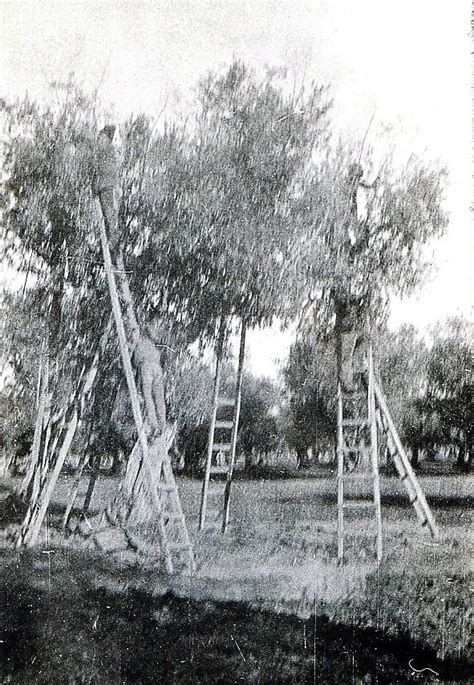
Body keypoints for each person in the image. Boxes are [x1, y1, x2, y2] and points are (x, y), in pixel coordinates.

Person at [92, 125, 120, 255]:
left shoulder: (108, 152)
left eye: (102, 138)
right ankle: (112, 241)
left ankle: (113, 241)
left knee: (109, 214)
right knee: (107, 215)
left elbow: (104, 170)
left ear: (107, 139)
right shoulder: (106, 152)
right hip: (104, 187)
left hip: (107, 187)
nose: (99, 141)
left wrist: (96, 185)